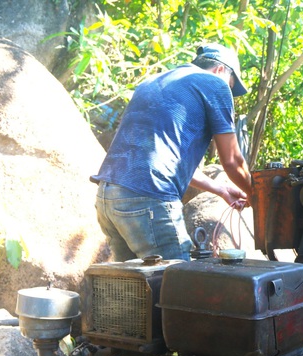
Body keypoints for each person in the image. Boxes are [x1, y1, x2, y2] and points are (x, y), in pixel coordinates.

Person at [92, 43, 252, 262]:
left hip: (108, 197)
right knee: (176, 284)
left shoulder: (154, 81)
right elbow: (233, 160)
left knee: (129, 291)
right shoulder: (215, 84)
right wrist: (257, 194)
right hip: (148, 199)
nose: (229, 92)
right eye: (231, 85)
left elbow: (163, 161)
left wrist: (221, 189)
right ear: (220, 70)